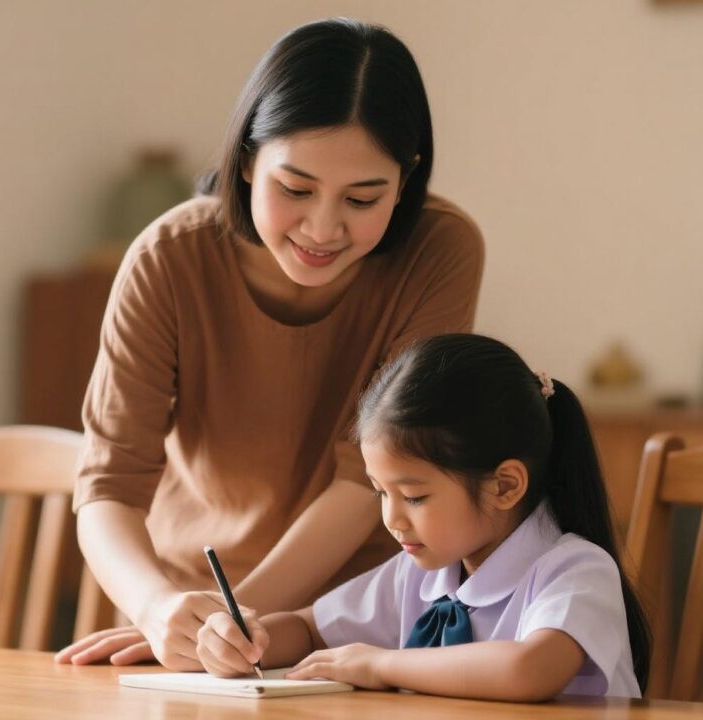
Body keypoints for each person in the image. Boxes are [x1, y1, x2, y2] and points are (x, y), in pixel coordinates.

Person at [55, 18, 484, 667]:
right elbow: (108, 484)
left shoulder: (440, 251)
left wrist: (234, 625)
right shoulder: (168, 259)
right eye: (296, 189)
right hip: (185, 613)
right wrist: (159, 610)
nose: (323, 227)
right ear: (248, 160)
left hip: (362, 622)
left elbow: (369, 477)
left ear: (406, 178)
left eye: (363, 198)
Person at [195, 334, 651, 701]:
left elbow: (529, 669)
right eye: (380, 493)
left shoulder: (575, 570)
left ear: (505, 485)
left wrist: (378, 664)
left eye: (413, 496)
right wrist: (244, 639)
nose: (391, 518)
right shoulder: (420, 574)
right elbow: (310, 628)